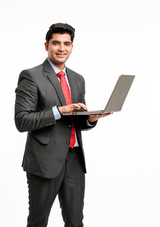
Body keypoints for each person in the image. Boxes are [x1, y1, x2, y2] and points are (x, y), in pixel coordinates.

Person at [15, 23, 111, 227]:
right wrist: (59, 111)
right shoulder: (31, 76)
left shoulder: (77, 79)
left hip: (74, 159)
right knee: (38, 221)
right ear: (46, 45)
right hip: (44, 161)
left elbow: (74, 122)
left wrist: (90, 119)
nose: (61, 48)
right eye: (56, 43)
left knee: (76, 221)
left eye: (66, 43)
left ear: (72, 47)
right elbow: (22, 120)